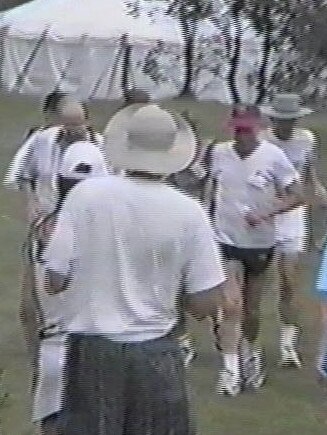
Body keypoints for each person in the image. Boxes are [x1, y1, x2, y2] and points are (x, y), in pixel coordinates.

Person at [42, 103, 228, 433]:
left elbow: (55, 279)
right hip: (155, 349)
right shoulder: (189, 212)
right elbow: (206, 303)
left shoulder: (84, 196)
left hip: (91, 350)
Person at [208, 105, 303, 396]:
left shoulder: (274, 157)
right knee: (231, 305)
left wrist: (267, 213)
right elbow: (207, 186)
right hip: (226, 240)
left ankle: (251, 351)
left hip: (260, 243)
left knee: (251, 310)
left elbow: (297, 195)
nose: (242, 135)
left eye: (247, 129)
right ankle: (231, 370)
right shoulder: (219, 152)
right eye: (238, 129)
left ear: (258, 128)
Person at [25, 141, 109, 435]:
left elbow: (28, 310)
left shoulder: (44, 231)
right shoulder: (114, 233)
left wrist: (35, 355)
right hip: (103, 349)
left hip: (54, 345)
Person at [260, 93, 327, 368]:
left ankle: (288, 342)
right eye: (282, 121)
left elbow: (308, 172)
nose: (287, 125)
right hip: (266, 214)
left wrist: (319, 189)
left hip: (293, 216)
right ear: (273, 119)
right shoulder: (263, 142)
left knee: (289, 280)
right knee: (258, 281)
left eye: (292, 121)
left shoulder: (306, 139)